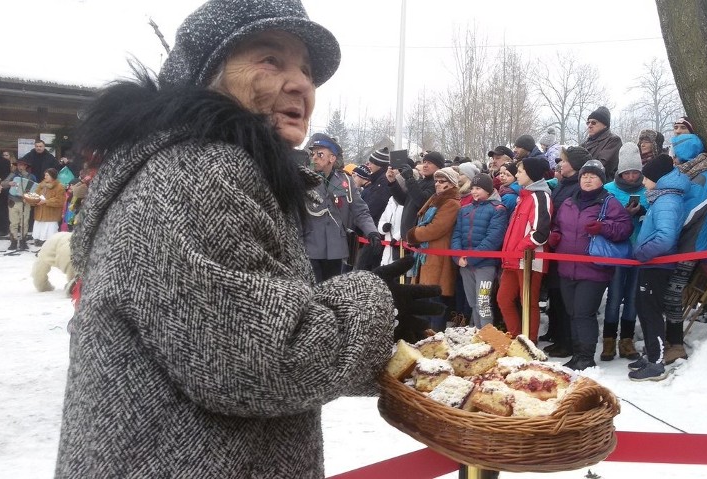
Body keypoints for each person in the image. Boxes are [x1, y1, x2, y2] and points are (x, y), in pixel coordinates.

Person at [55, 1, 440, 477]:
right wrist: (373, 312)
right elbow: (263, 360)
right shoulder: (197, 171)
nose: (302, 84)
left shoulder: (198, 165)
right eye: (270, 59)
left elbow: (229, 329)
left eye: (307, 69)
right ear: (206, 75)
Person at [548, 159, 633, 370]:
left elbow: (625, 228)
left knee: (584, 312)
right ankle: (578, 355)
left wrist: (603, 228)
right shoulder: (568, 202)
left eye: (592, 176)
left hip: (593, 269)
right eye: (584, 175)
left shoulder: (609, 202)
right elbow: (558, 225)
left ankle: (586, 357)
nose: (587, 179)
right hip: (567, 267)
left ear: (601, 181)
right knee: (573, 312)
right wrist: (555, 236)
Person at [628, 154, 690, 381]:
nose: (643, 182)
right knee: (643, 309)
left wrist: (642, 253)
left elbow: (665, 237)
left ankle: (656, 363)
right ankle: (651, 355)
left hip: (657, 265)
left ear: (658, 178)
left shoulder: (667, 201)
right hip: (652, 264)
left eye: (646, 178)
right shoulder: (661, 198)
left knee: (651, 312)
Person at [663, 133, 707, 364]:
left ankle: (675, 345)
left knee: (673, 294)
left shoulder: (702, 178)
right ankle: (669, 340)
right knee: (672, 293)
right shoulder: (692, 174)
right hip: (685, 242)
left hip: (692, 244)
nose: (673, 157)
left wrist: (665, 225)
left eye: (675, 151)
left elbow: (690, 213)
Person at [304, 133, 381, 282]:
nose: (314, 157)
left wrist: (372, 231)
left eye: (320, 154)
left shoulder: (345, 180)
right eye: (313, 153)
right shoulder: (305, 178)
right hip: (309, 247)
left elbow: (360, 210)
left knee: (332, 293)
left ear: (332, 158)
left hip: (335, 249)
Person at [539, 146, 592, 357]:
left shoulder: (577, 188)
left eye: (563, 160)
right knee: (555, 294)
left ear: (575, 164)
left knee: (564, 297)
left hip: (567, 247)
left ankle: (567, 341)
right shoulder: (563, 184)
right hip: (555, 244)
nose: (560, 163)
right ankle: (557, 335)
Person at [497, 156, 552, 342]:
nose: (517, 175)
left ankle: (530, 340)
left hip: (529, 259)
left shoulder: (540, 197)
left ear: (531, 174)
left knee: (528, 301)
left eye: (520, 171)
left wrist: (520, 249)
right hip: (512, 259)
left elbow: (541, 232)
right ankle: (515, 337)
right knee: (503, 298)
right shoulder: (524, 196)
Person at [601, 143, 648, 361]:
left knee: (633, 297)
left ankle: (627, 340)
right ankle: (609, 339)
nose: (631, 177)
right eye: (627, 172)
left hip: (640, 249)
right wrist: (623, 214)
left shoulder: (647, 189)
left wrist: (643, 211)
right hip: (617, 249)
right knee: (614, 296)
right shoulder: (609, 190)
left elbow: (656, 214)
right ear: (620, 172)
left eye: (635, 172)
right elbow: (603, 217)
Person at [407, 167, 462, 331]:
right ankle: (423, 337)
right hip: (427, 256)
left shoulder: (451, 203)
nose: (437, 184)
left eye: (442, 181)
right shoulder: (435, 199)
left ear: (451, 184)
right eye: (436, 181)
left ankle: (436, 338)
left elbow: (435, 228)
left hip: (438, 258)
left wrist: (413, 234)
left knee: (435, 302)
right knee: (425, 301)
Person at [451, 173, 508, 328]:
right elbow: (456, 235)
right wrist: (458, 257)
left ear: (488, 190)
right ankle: (477, 333)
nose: (474, 192)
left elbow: (493, 239)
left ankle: (487, 336)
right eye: (473, 188)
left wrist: (471, 257)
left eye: (479, 188)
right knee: (472, 302)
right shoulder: (464, 210)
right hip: (465, 265)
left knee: (483, 302)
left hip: (485, 265)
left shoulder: (498, 209)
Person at [387, 150, 439, 239]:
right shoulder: (420, 181)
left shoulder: (437, 184)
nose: (425, 165)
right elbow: (403, 200)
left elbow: (422, 202)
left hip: (418, 235)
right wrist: (392, 182)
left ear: (439, 166)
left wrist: (409, 178)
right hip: (408, 235)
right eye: (424, 162)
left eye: (429, 163)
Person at [1, 157, 37, 251]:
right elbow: (3, 184)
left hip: (25, 202)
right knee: (13, 222)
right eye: (19, 165)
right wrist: (9, 183)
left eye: (22, 165)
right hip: (13, 201)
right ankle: (13, 241)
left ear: (26, 166)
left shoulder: (31, 176)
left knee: (24, 222)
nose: (20, 166)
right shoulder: (13, 174)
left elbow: (35, 188)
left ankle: (23, 241)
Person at [581, 106, 623, 179]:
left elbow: (601, 167)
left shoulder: (614, 141)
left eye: (593, 123)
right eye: (588, 123)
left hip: (603, 185)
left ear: (605, 125)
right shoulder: (585, 143)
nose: (589, 126)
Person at [32, 167, 66, 246]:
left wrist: (46, 201)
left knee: (50, 235)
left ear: (52, 176)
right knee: (40, 232)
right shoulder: (41, 185)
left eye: (47, 175)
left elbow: (60, 201)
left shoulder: (59, 187)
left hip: (51, 216)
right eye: (45, 175)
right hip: (40, 214)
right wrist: (34, 200)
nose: (45, 177)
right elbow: (36, 195)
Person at [0, 151, 13, 236]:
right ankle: (3, 229)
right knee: (2, 209)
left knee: (1, 209)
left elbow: (8, 176)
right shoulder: (5, 161)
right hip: (2, 188)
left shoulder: (5, 161)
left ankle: (2, 229)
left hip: (1, 188)